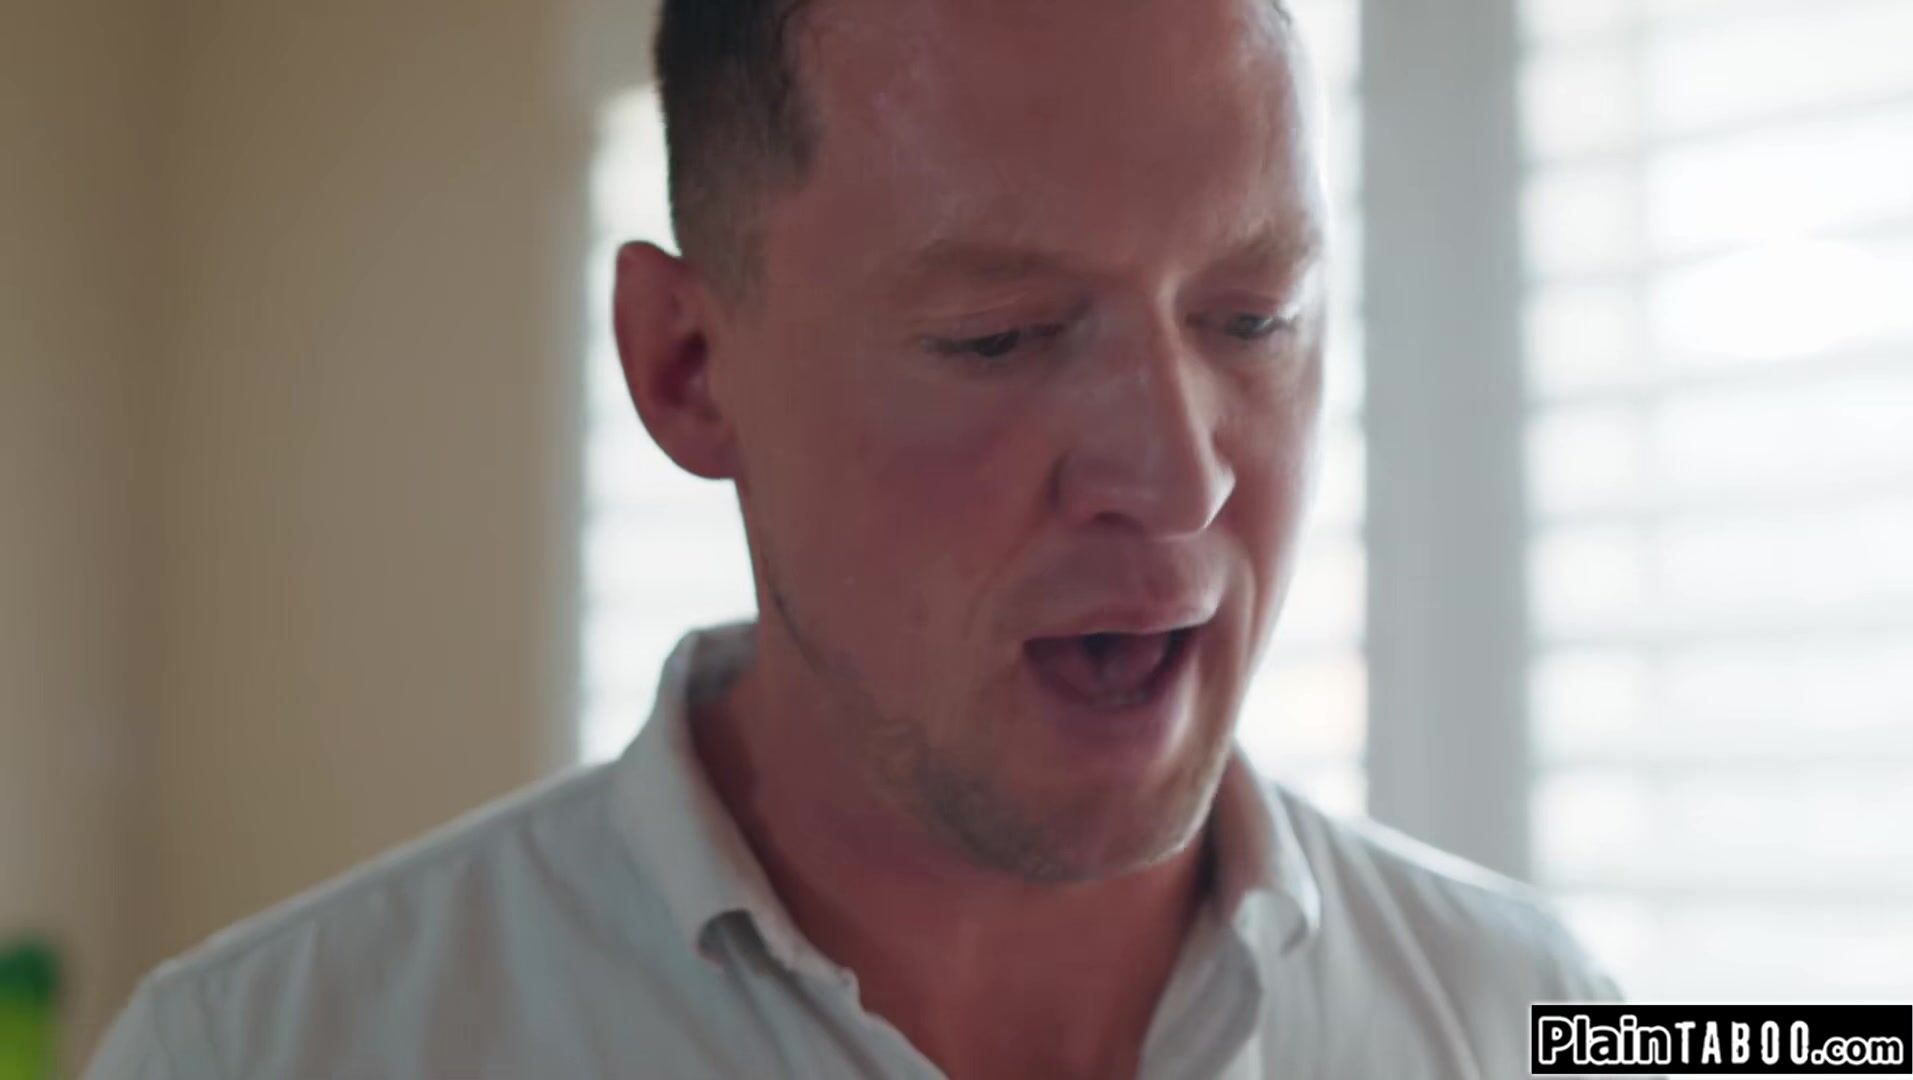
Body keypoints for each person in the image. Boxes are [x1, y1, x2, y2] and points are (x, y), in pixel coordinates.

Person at [88, 0, 1624, 1076]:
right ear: (687, 367)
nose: (1177, 481)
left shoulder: (1538, 1022)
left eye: (1254, 317)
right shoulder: (260, 1054)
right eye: (999, 336)